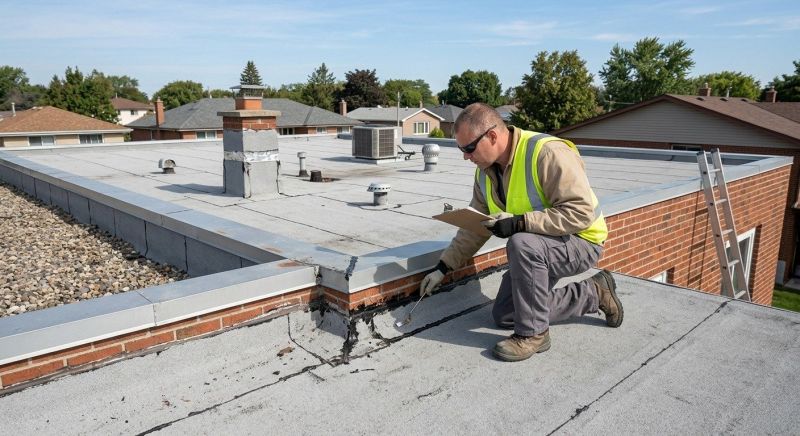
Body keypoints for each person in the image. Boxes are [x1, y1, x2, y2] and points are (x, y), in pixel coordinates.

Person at [420, 103, 623, 362]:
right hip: (541, 247)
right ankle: (594, 292)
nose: (465, 156)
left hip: (580, 242)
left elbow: (581, 212)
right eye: (461, 149)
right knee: (505, 313)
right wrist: (443, 268)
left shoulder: (547, 153)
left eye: (469, 148)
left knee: (521, 242)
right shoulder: (484, 173)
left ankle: (534, 335)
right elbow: (476, 226)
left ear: (492, 136)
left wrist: (519, 222)